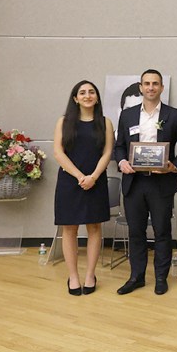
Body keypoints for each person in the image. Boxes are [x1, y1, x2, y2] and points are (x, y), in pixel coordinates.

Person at [114, 69, 177, 295]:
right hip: (134, 183)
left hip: (161, 183)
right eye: (146, 83)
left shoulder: (174, 115)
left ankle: (160, 277)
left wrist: (174, 165)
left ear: (161, 88)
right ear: (140, 87)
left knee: (162, 231)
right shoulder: (127, 116)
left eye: (155, 84)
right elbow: (119, 146)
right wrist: (121, 162)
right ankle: (136, 276)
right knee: (136, 232)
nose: (150, 87)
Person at [53, 80, 115, 295]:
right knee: (69, 229)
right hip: (70, 181)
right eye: (82, 92)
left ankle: (90, 274)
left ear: (97, 97)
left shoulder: (105, 122)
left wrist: (94, 177)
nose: (87, 95)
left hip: (95, 181)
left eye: (91, 92)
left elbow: (107, 153)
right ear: (75, 98)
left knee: (94, 227)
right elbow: (58, 153)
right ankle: (73, 276)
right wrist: (80, 176)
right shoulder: (64, 121)